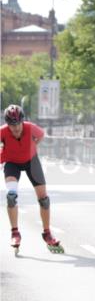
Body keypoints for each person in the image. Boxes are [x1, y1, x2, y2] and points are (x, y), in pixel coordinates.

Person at [2, 105, 64, 254]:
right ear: (7, 124)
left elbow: (41, 135)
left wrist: (32, 146)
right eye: (12, 124)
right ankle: (15, 232)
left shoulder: (30, 128)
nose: (15, 128)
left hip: (31, 162)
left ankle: (47, 233)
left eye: (18, 124)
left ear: (23, 121)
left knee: (44, 199)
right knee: (11, 196)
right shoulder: (2, 132)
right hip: (12, 163)